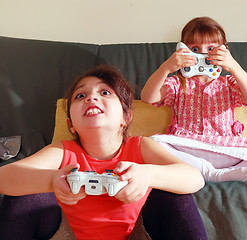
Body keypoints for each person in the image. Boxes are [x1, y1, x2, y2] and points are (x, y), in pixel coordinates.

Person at [0, 65, 208, 240]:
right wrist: (52, 180)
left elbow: (194, 178)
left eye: (105, 92)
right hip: (69, 234)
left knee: (175, 194)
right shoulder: (62, 151)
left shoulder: (140, 146)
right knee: (25, 193)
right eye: (81, 95)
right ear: (71, 124)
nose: (91, 98)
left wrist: (147, 175)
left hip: (136, 233)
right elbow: (4, 177)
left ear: (125, 117)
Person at [141, 16, 247, 183]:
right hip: (188, 148)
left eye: (210, 48)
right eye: (195, 49)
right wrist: (166, 67)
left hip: (225, 149)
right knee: (150, 143)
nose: (202, 53)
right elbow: (147, 97)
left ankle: (229, 171)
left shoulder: (229, 83)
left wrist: (233, 66)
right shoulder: (178, 84)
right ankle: (212, 174)